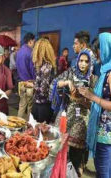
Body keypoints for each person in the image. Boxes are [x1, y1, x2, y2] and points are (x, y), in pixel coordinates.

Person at [51, 49, 96, 177]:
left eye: (86, 61)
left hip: (81, 120)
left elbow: (95, 105)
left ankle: (76, 172)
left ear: (90, 63)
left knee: (76, 153)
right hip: (66, 116)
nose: (82, 64)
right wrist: (67, 82)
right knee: (60, 148)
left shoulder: (93, 79)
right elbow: (56, 82)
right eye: (81, 60)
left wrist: (82, 100)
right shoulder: (71, 73)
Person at [78, 32, 111, 178]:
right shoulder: (105, 70)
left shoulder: (110, 74)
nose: (96, 53)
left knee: (103, 171)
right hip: (102, 132)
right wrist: (87, 99)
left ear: (105, 49)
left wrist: (92, 97)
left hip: (107, 134)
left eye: (97, 49)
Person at [31, 38, 56, 124]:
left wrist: (31, 85)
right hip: (38, 104)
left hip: (44, 106)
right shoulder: (42, 66)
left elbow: (43, 91)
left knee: (41, 133)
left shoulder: (47, 67)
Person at [16, 33, 36, 119]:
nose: (34, 43)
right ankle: (29, 127)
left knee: (21, 106)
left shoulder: (19, 52)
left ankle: (17, 125)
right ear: (30, 41)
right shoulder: (31, 53)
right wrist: (35, 80)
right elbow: (33, 69)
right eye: (34, 41)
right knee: (30, 107)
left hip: (21, 83)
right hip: (29, 84)